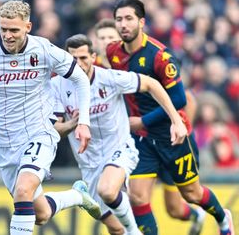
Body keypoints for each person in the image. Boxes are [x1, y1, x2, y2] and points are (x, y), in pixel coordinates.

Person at [0, 0, 100, 235]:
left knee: (22, 191)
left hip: (38, 132)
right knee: (40, 214)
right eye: (3, 29)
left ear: (28, 27)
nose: (7, 36)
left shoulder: (43, 49)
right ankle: (76, 195)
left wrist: (84, 121)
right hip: (2, 141)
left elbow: (79, 78)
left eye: (14, 30)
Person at [108, 0, 235, 235]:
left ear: (142, 22)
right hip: (142, 139)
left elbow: (179, 99)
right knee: (137, 197)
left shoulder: (160, 56)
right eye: (118, 19)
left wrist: (142, 121)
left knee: (192, 194)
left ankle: (222, 217)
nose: (123, 24)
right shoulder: (113, 52)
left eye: (128, 19)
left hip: (171, 135)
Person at [52, 34, 188, 235]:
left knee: (107, 190)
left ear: (93, 57)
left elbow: (151, 84)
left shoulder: (108, 78)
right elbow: (55, 130)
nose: (79, 64)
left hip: (119, 149)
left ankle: (135, 232)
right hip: (88, 163)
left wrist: (176, 120)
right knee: (115, 229)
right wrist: (74, 122)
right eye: (73, 59)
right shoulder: (57, 87)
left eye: (83, 58)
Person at [94, 18, 207, 235]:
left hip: (166, 138)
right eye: (102, 38)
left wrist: (179, 126)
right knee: (130, 196)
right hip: (135, 143)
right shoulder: (95, 71)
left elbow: (187, 99)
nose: (106, 42)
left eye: (110, 37)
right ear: (96, 43)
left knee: (174, 208)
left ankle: (197, 214)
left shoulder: (139, 64)